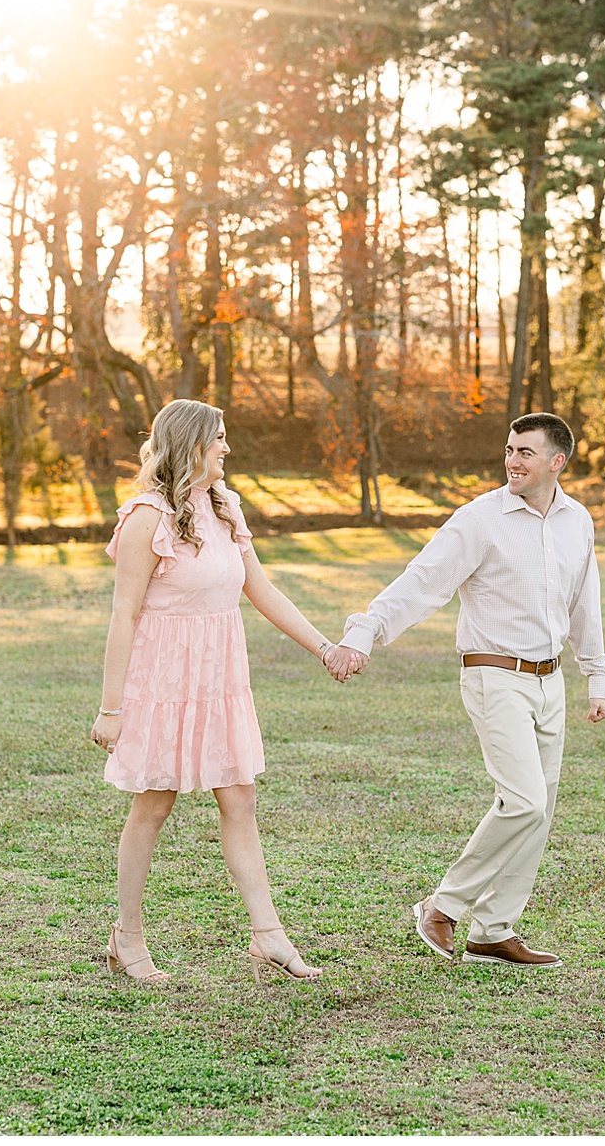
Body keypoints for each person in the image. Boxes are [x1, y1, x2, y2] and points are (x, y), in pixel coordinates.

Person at [327, 412, 605, 969]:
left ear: (557, 462)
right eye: (509, 449)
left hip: (549, 680)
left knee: (540, 810)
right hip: (493, 675)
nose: (512, 460)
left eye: (526, 452)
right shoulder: (479, 519)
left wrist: (594, 674)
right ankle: (443, 904)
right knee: (524, 799)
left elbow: (584, 601)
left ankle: (493, 929)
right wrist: (363, 633)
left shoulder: (577, 521)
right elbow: (422, 582)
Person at [93, 399, 347, 984]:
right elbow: (123, 616)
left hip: (220, 677)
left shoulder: (225, 506)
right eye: (220, 439)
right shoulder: (144, 518)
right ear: (191, 446)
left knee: (240, 799)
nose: (228, 449)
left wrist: (325, 647)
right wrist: (112, 709)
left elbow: (261, 590)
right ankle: (126, 938)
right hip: (160, 680)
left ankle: (268, 935)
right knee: (153, 804)